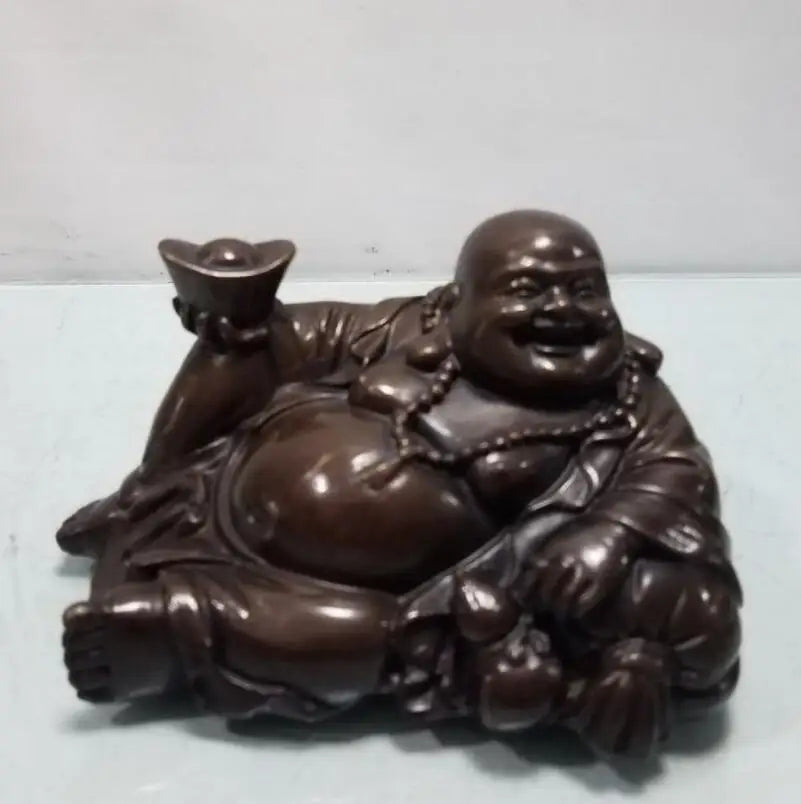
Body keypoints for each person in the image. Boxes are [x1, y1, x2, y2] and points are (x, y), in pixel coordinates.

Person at [58, 210, 741, 756]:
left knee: (379, 639)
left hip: (379, 597)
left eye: (586, 290)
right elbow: (314, 333)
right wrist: (242, 317)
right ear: (459, 299)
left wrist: (608, 534)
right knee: (238, 347)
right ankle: (145, 495)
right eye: (527, 289)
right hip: (216, 484)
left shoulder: (627, 397)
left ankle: (175, 634)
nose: (562, 309)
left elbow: (678, 470)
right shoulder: (416, 324)